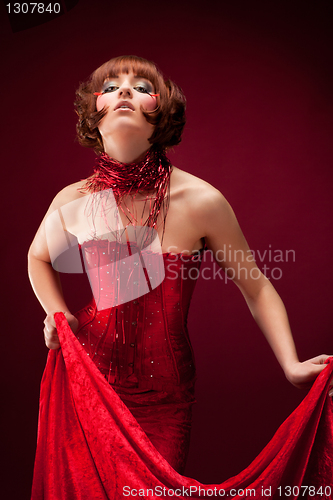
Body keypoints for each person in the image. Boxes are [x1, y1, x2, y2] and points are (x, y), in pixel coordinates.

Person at [28, 55, 333, 498]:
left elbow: (257, 286)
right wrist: (59, 315)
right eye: (111, 86)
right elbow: (38, 257)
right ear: (94, 114)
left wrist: (290, 364)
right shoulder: (72, 199)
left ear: (163, 112)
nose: (125, 91)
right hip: (86, 383)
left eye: (141, 86)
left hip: (163, 397)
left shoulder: (201, 199)